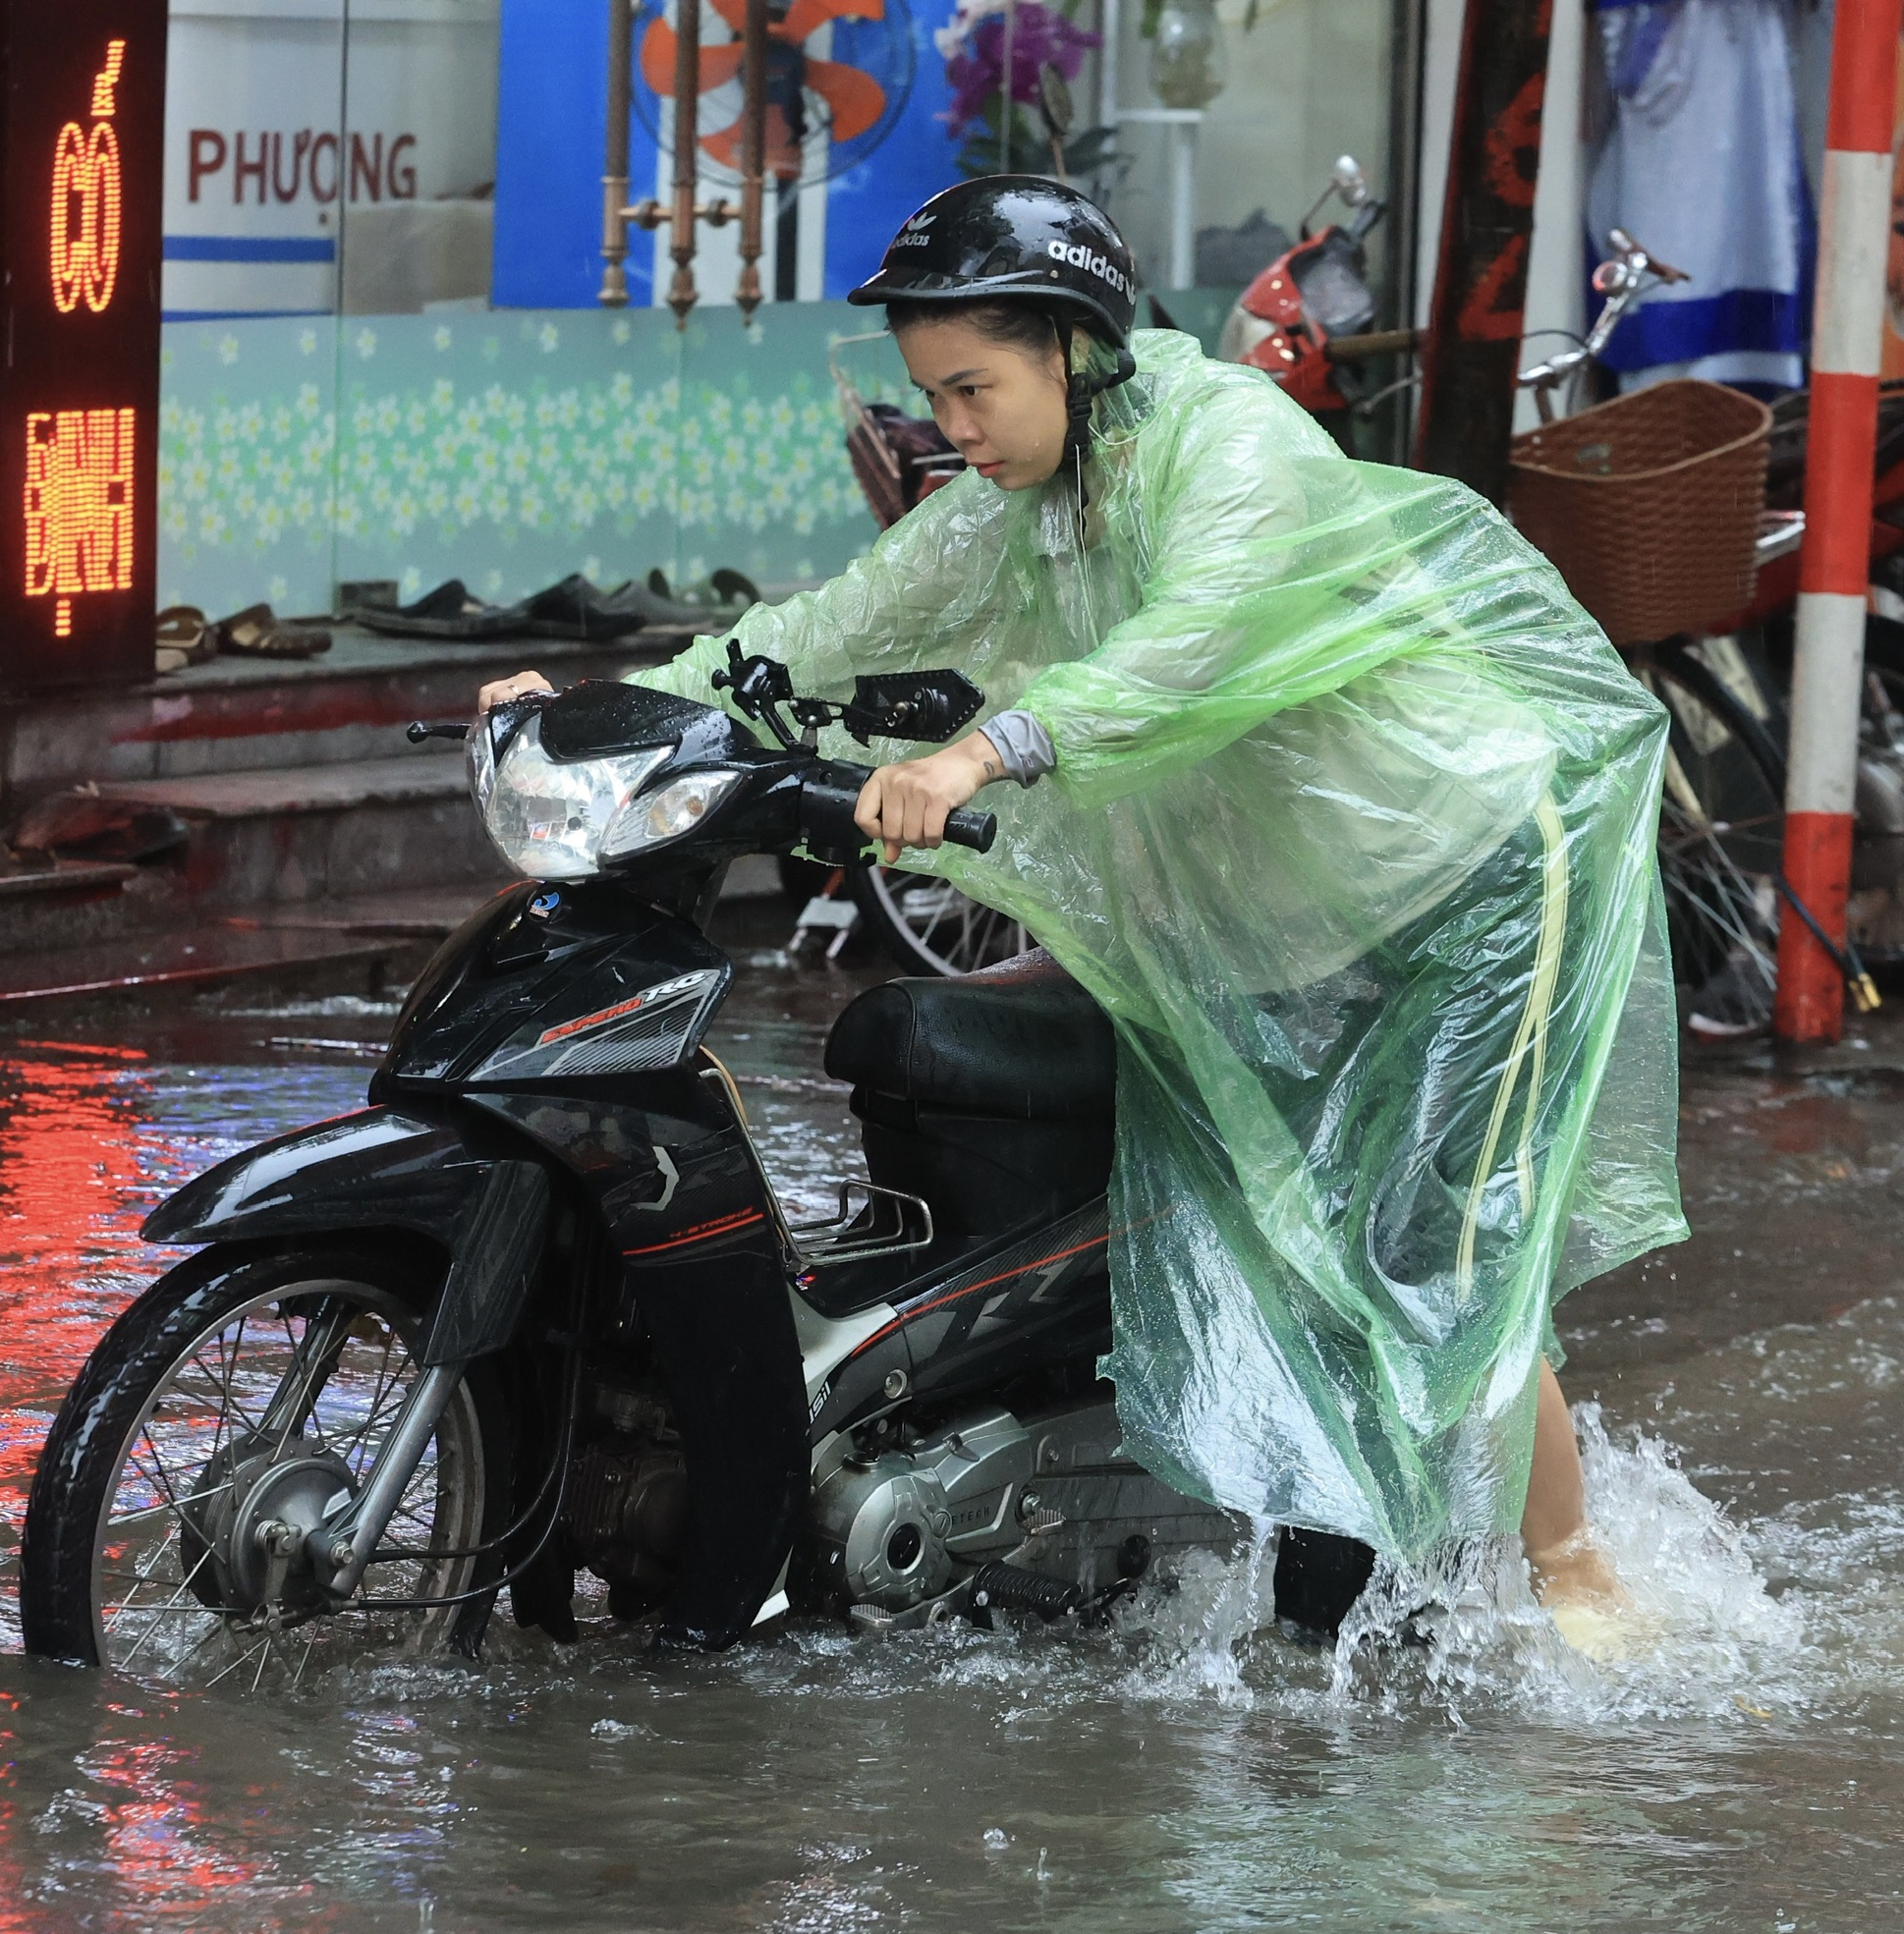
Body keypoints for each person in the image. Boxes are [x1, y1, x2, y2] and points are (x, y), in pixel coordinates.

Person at [479, 178, 1686, 1652]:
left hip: (1474, 878)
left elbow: (1192, 648)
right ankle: (1326, 1553)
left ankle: (1573, 1573)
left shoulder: (1232, 445)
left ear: (1069, 346)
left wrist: (984, 750)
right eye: (934, 397)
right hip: (1284, 919)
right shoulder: (1008, 513)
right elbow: (815, 634)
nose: (955, 429)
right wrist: (610, 708)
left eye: (975, 389)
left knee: (1431, 1251)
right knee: (1292, 1230)